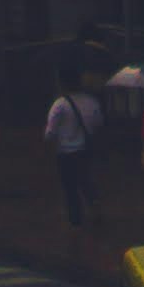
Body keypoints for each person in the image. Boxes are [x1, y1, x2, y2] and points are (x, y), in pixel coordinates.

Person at [43, 61, 105, 223]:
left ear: (62, 83)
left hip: (65, 153)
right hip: (86, 150)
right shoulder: (92, 102)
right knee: (85, 179)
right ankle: (94, 205)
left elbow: (50, 133)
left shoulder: (59, 105)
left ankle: (76, 220)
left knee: (70, 188)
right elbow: (99, 124)